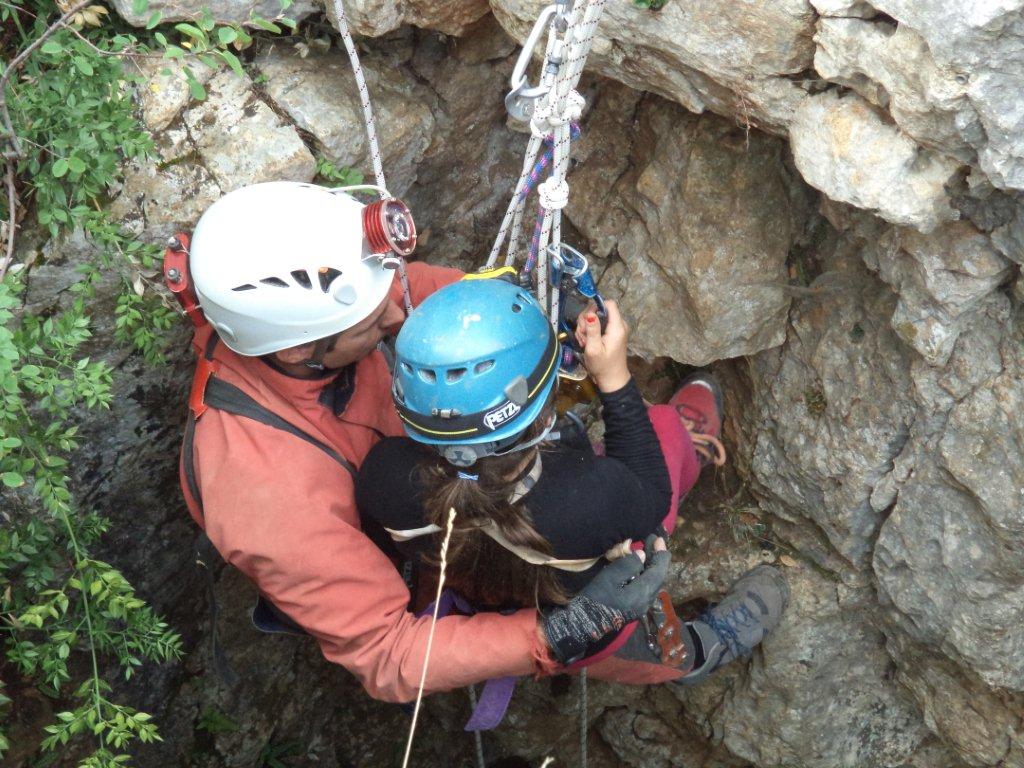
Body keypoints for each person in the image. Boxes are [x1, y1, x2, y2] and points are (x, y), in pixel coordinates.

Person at [175, 180, 670, 703]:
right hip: (421, 564)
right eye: (372, 321)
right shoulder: (269, 499)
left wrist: (516, 321)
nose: (397, 314)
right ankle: (683, 660)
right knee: (612, 634)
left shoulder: (318, 316)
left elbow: (421, 297)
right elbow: (389, 653)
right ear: (300, 351)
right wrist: (552, 635)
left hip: (420, 506)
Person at [357, 277, 790, 681]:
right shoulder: (595, 498)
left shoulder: (381, 476)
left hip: (469, 596)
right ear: (546, 409)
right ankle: (695, 653)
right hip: (580, 611)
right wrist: (614, 379)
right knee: (662, 429)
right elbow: (650, 496)